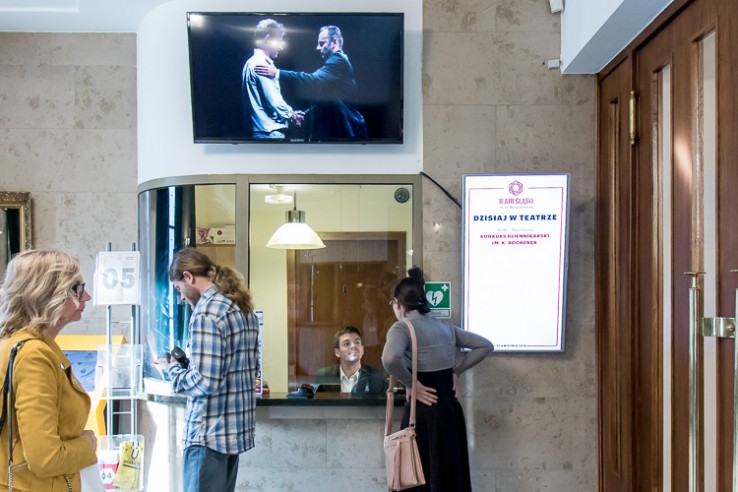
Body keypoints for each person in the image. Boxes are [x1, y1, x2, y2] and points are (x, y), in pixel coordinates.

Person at [381, 267, 494, 491]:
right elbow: (485, 345)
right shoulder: (445, 326)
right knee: (450, 474)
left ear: (399, 304)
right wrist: (456, 371)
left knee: (418, 473)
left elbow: (390, 358)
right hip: (450, 411)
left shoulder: (402, 327)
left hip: (422, 411)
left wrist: (411, 383)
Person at [0, 250, 98, 491]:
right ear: (47, 293)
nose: (86, 297)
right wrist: (88, 444)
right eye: (77, 289)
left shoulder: (19, 344)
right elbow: (46, 459)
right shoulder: (33, 355)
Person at [163, 248, 259, 492]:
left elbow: (205, 381)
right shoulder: (243, 309)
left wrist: (173, 371)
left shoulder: (206, 313)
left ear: (188, 277)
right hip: (232, 434)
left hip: (207, 436)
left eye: (179, 289)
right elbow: (245, 368)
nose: (181, 298)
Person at [255, 25, 368, 141]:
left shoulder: (338, 60)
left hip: (346, 133)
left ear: (334, 42)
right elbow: (326, 102)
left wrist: (278, 73)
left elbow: (312, 79)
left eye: (322, 43)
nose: (318, 48)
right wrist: (304, 114)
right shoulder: (335, 64)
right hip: (340, 133)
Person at [242, 18, 304, 139]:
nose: (281, 47)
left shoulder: (250, 63)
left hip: (259, 132)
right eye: (279, 41)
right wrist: (292, 114)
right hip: (269, 133)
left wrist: (291, 113)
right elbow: (273, 101)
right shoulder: (262, 64)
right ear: (268, 39)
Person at [316, 326, 387, 395]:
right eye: (347, 344)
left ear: (362, 350)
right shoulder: (324, 376)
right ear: (337, 352)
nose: (353, 346)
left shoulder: (377, 378)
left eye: (357, 342)